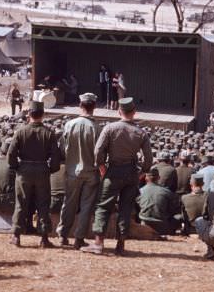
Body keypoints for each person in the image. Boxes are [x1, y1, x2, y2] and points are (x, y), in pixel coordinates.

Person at [83, 97, 152, 256]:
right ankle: (120, 245)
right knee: (126, 209)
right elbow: (148, 159)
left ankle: (98, 243)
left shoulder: (110, 128)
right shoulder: (141, 133)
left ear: (119, 111)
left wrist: (101, 167)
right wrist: (141, 173)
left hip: (113, 171)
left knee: (103, 206)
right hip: (131, 172)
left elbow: (98, 151)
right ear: (134, 112)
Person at [7, 100, 62, 248]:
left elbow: (11, 154)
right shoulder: (49, 133)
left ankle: (16, 236)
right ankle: (44, 238)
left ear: (29, 114)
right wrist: (50, 169)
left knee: (21, 203)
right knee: (43, 204)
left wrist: (17, 167)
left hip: (24, 170)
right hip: (42, 170)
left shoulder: (21, 132)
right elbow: (56, 157)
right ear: (42, 115)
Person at [58, 93, 101, 249]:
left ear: (80, 106)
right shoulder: (97, 128)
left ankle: (63, 235)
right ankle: (79, 238)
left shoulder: (69, 125)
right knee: (86, 206)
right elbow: (100, 153)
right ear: (94, 107)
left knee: (68, 203)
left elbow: (62, 148)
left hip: (72, 171)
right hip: (91, 172)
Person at [137, 167, 181, 236]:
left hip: (144, 225)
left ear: (146, 178)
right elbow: (173, 211)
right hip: (162, 227)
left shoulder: (139, 192)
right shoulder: (166, 192)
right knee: (179, 216)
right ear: (159, 178)